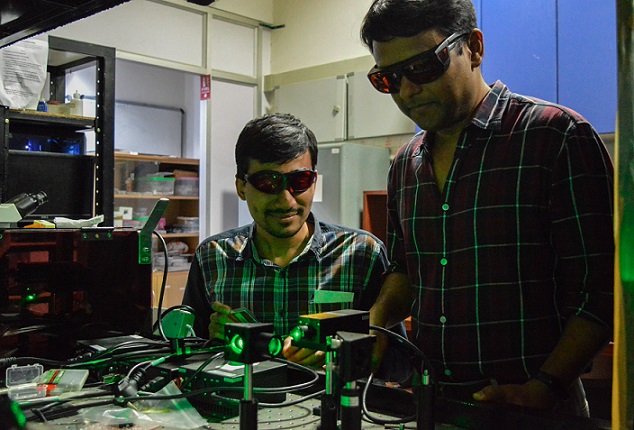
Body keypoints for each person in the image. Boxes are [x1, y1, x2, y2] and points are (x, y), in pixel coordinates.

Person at [360, 0, 614, 417]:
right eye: (389, 78)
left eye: (423, 67)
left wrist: (545, 386)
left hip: (535, 413)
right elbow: (407, 270)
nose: (406, 90)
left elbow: (600, 292)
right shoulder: (404, 164)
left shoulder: (556, 137)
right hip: (433, 406)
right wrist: (379, 320)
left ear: (473, 48)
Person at [182, 113, 408, 380]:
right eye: (268, 182)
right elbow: (186, 357)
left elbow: (400, 364)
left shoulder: (361, 254)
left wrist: (346, 351)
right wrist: (214, 343)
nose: (286, 200)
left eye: (299, 182)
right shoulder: (214, 257)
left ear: (314, 181)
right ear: (242, 187)